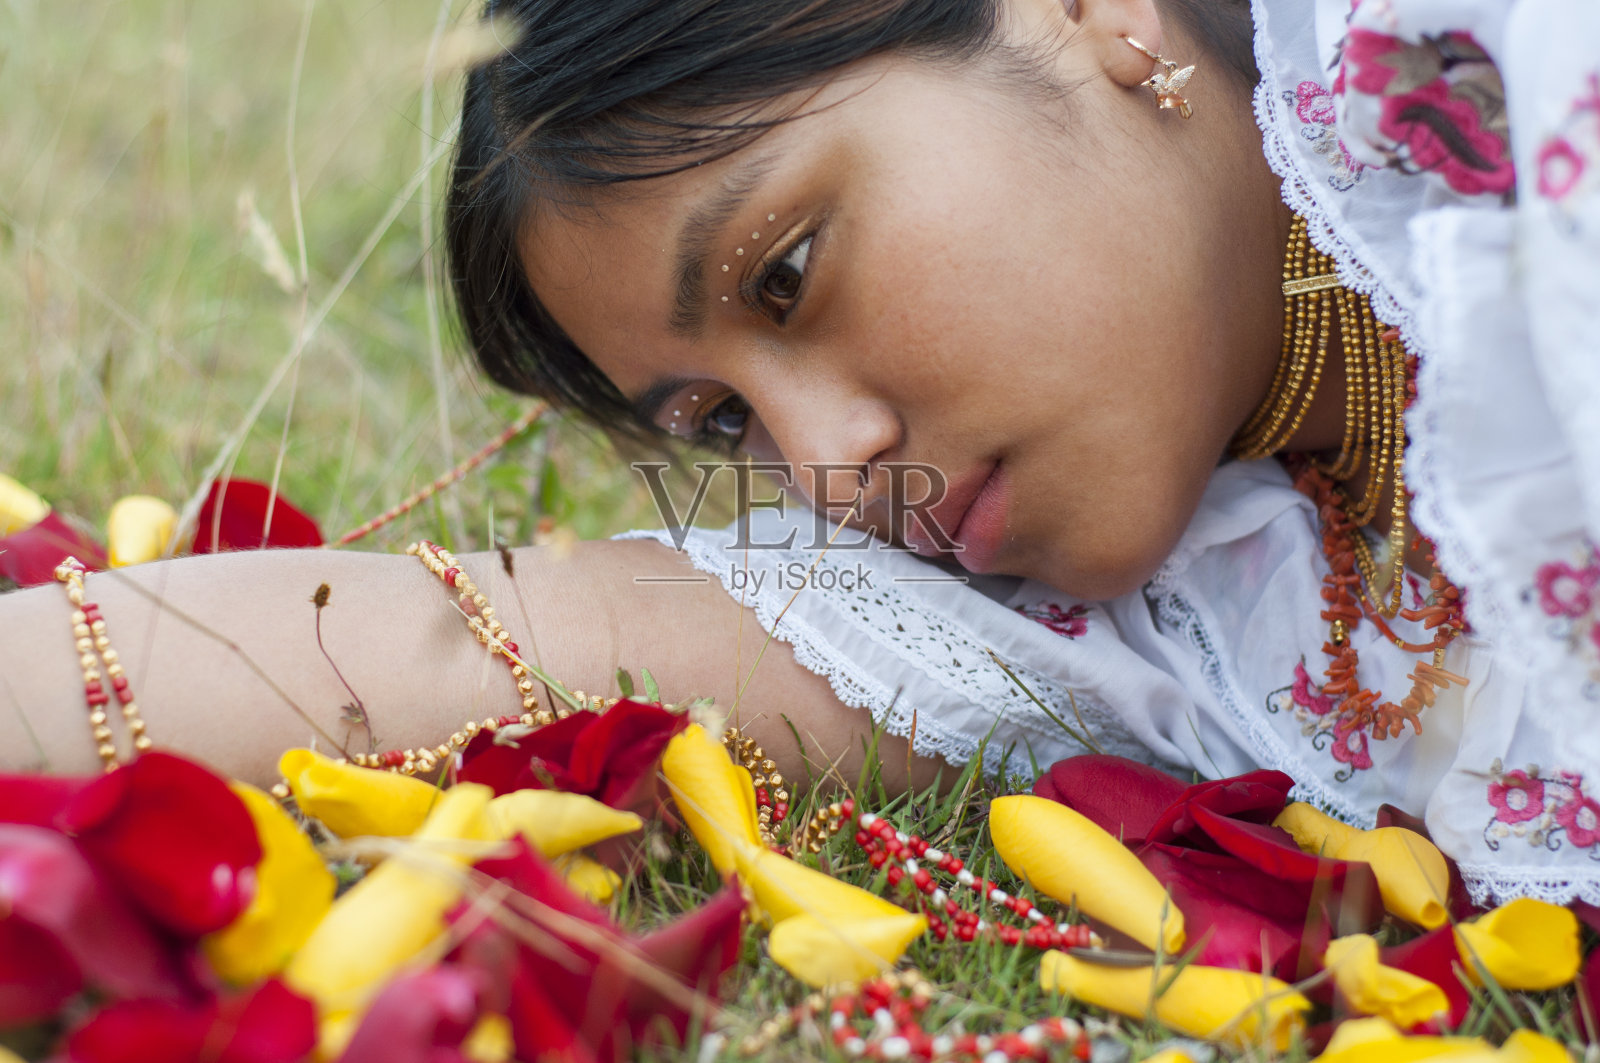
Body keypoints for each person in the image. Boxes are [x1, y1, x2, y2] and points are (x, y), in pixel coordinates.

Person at [3, 0, 1598, 909]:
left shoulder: (1513, 67)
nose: (831, 472)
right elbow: (462, 643)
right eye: (720, 421)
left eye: (787, 272)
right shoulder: (1159, 621)